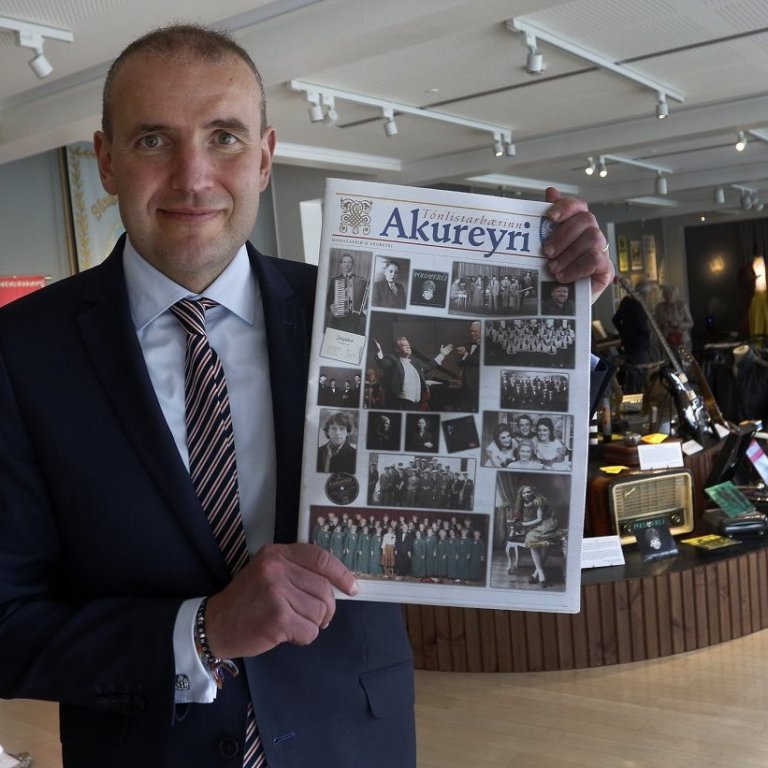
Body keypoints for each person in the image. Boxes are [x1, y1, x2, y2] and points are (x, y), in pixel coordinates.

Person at [0, 23, 614, 768]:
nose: (193, 177)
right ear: (106, 160)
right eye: (153, 141)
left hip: (353, 739)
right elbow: (8, 621)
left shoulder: (354, 311)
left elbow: (493, 442)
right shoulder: (22, 353)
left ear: (264, 157)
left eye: (224, 137)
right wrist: (203, 631)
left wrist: (559, 312)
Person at [372, 335, 453, 410]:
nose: (408, 346)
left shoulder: (416, 364)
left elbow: (429, 366)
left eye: (409, 345)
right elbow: (382, 363)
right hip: (401, 403)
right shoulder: (393, 361)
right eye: (404, 345)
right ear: (397, 349)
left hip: (417, 403)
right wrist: (379, 351)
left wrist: (442, 355)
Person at [613, 279, 653, 393]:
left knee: (632, 374)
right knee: (637, 375)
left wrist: (624, 333)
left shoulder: (626, 302)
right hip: (639, 345)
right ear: (644, 293)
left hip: (628, 343)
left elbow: (615, 320)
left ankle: (633, 404)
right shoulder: (638, 304)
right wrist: (648, 334)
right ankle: (636, 404)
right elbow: (641, 326)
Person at [326, 251, 368, 335]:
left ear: (352, 264)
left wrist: (364, 309)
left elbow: (365, 300)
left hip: (354, 319)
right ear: (341, 264)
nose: (347, 264)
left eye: (349, 262)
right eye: (344, 262)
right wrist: (331, 307)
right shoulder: (335, 280)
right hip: (338, 318)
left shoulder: (362, 281)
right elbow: (329, 299)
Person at [454, 320, 481, 412]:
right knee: (465, 410)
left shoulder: (487, 345)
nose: (472, 334)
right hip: (465, 385)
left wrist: (465, 354)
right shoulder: (468, 345)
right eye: (471, 331)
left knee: (477, 409)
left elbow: (479, 361)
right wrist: (461, 356)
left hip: (478, 386)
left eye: (475, 331)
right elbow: (460, 363)